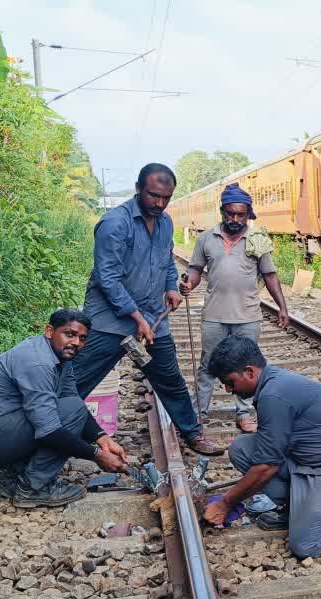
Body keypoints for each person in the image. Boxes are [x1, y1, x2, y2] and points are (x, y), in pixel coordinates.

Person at [201, 337, 321, 558]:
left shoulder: (273, 394)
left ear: (249, 372)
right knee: (242, 448)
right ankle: (295, 509)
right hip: (309, 461)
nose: (228, 389)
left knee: (306, 544)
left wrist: (225, 504)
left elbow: (266, 467)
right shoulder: (271, 385)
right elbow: (269, 454)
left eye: (230, 382)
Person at [73, 163, 219, 455]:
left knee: (170, 379)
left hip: (152, 318)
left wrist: (169, 288)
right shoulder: (115, 224)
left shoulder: (165, 223)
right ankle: (49, 434)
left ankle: (193, 433)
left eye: (166, 197)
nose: (160, 203)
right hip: (109, 322)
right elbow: (108, 278)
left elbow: (165, 261)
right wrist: (136, 317)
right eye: (154, 196)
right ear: (138, 189)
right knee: (77, 382)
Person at [0, 309, 131, 507]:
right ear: (50, 331)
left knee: (71, 406)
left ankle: (3, 471)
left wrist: (102, 437)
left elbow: (70, 398)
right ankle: (33, 488)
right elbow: (49, 431)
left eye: (82, 338)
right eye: (69, 334)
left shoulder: (60, 355)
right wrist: (97, 455)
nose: (76, 343)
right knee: (65, 415)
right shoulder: (38, 363)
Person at [180, 183, 291, 434]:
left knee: (247, 367)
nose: (235, 219)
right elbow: (196, 269)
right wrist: (188, 283)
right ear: (222, 212)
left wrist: (282, 307)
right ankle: (199, 413)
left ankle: (243, 413)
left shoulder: (257, 239)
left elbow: (270, 275)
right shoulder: (207, 238)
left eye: (241, 214)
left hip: (248, 315)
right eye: (230, 213)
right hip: (214, 315)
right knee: (208, 365)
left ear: (248, 214)